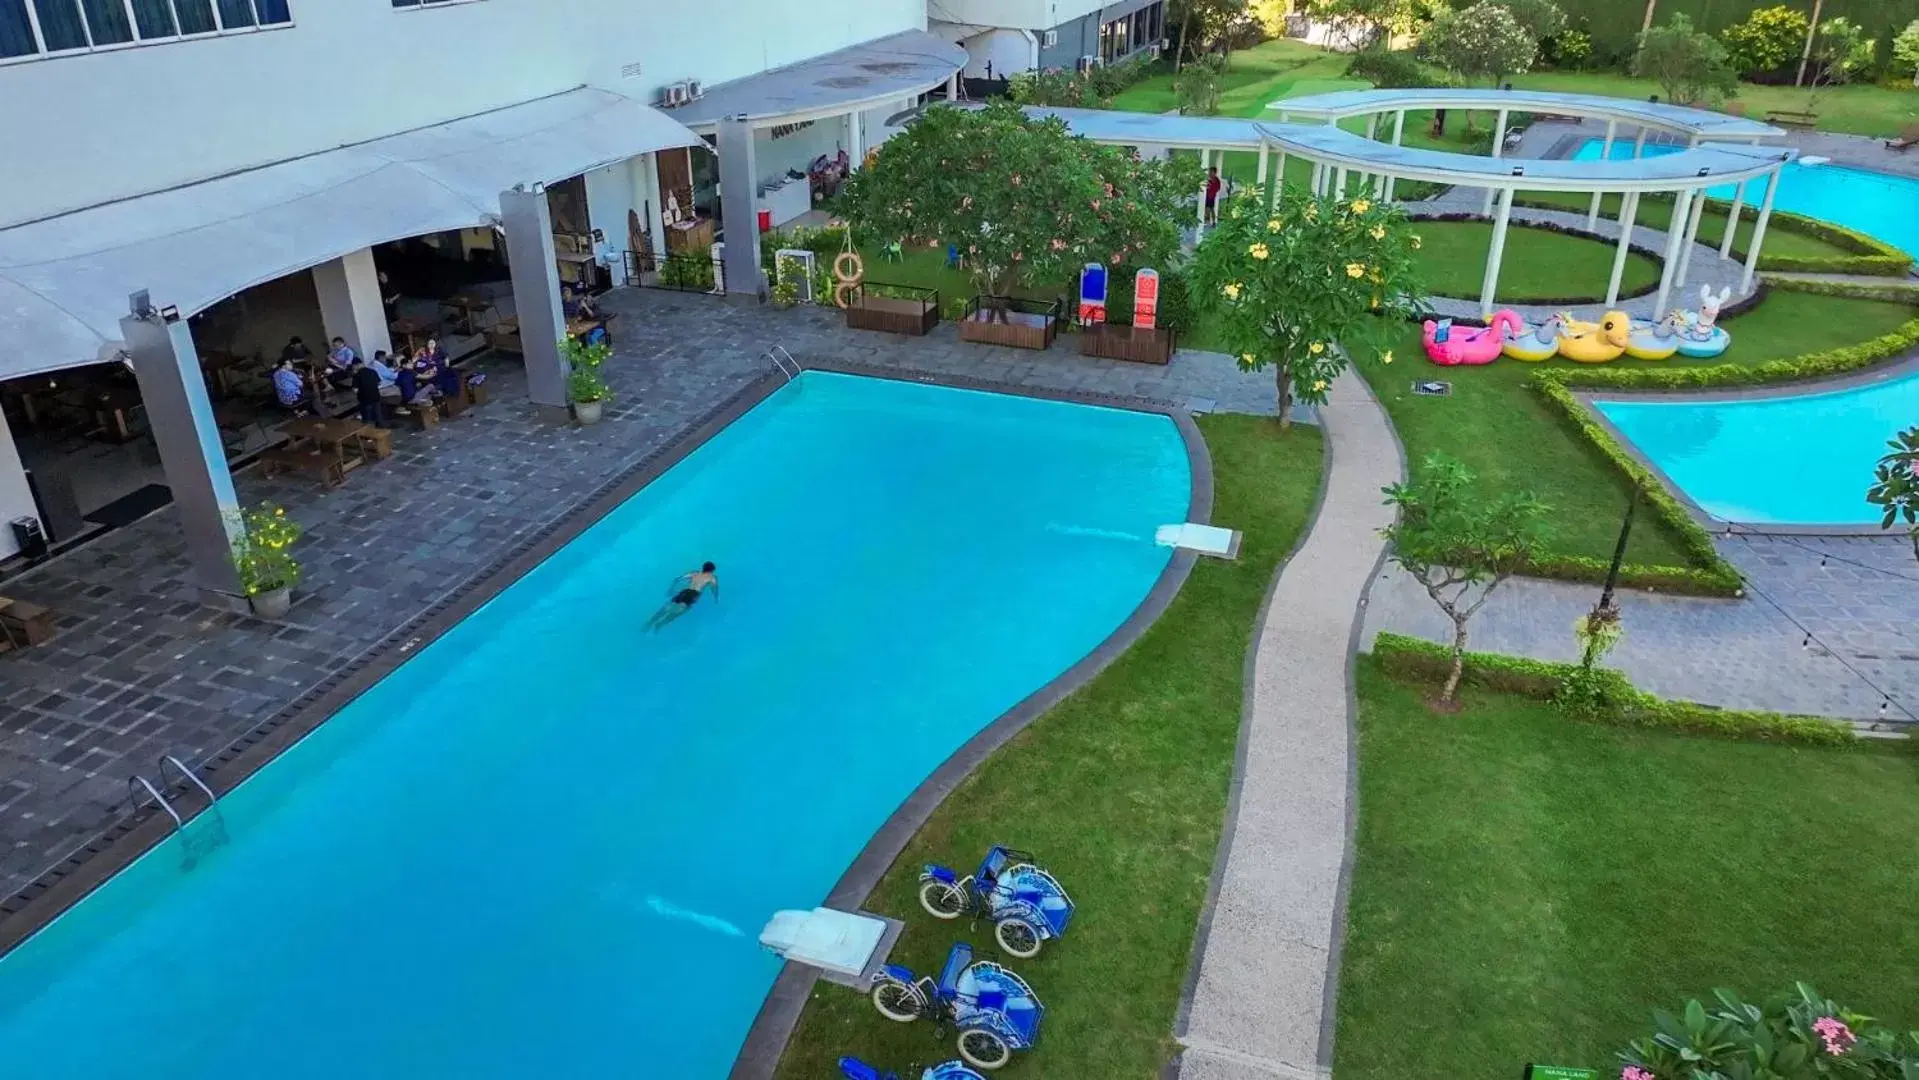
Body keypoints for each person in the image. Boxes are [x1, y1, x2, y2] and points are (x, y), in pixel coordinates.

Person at [645, 562, 718, 631]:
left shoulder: (695, 573)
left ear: (703, 568)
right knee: (677, 613)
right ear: (711, 570)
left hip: (683, 592)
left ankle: (649, 623)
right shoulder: (711, 577)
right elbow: (714, 588)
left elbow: (677, 579)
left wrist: (671, 588)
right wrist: (716, 598)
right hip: (693, 595)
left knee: (665, 608)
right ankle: (660, 624)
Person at [349, 358, 384, 428]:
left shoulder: (357, 375)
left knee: (367, 419)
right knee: (378, 416)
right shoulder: (372, 371)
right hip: (376, 397)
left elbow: (355, 390)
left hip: (365, 400)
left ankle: (369, 434)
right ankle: (381, 431)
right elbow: (379, 382)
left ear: (355, 365)